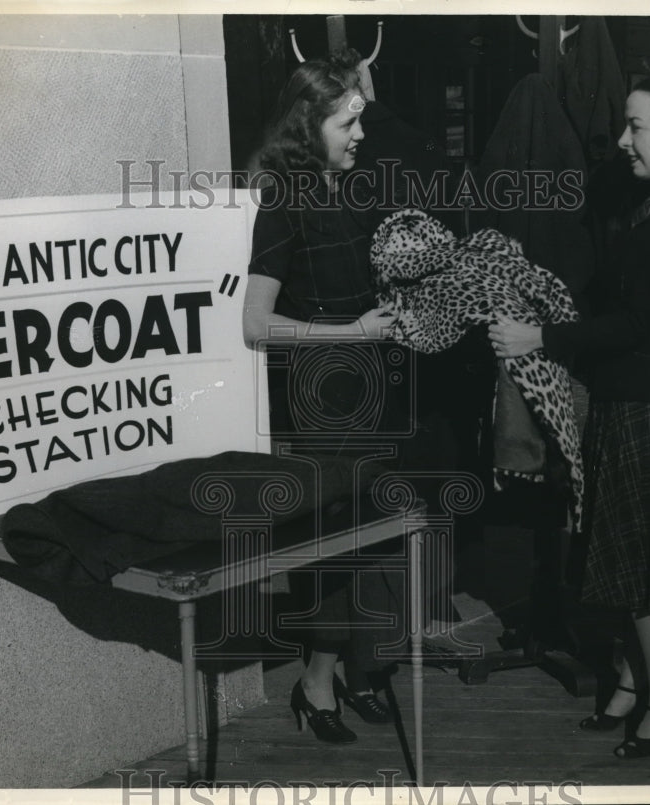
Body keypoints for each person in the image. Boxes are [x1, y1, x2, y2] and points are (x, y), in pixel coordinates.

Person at [489, 67, 650, 759]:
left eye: (637, 126)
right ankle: (630, 678)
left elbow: (643, 321)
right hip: (625, 406)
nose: (622, 139)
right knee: (619, 552)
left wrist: (542, 338)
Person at [242, 51, 403, 744]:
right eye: (347, 122)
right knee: (330, 543)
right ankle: (315, 682)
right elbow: (255, 325)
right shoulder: (282, 198)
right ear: (311, 123)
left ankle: (352, 669)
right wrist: (352, 330)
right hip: (321, 402)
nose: (360, 134)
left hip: (370, 390)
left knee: (368, 541)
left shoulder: (354, 187)